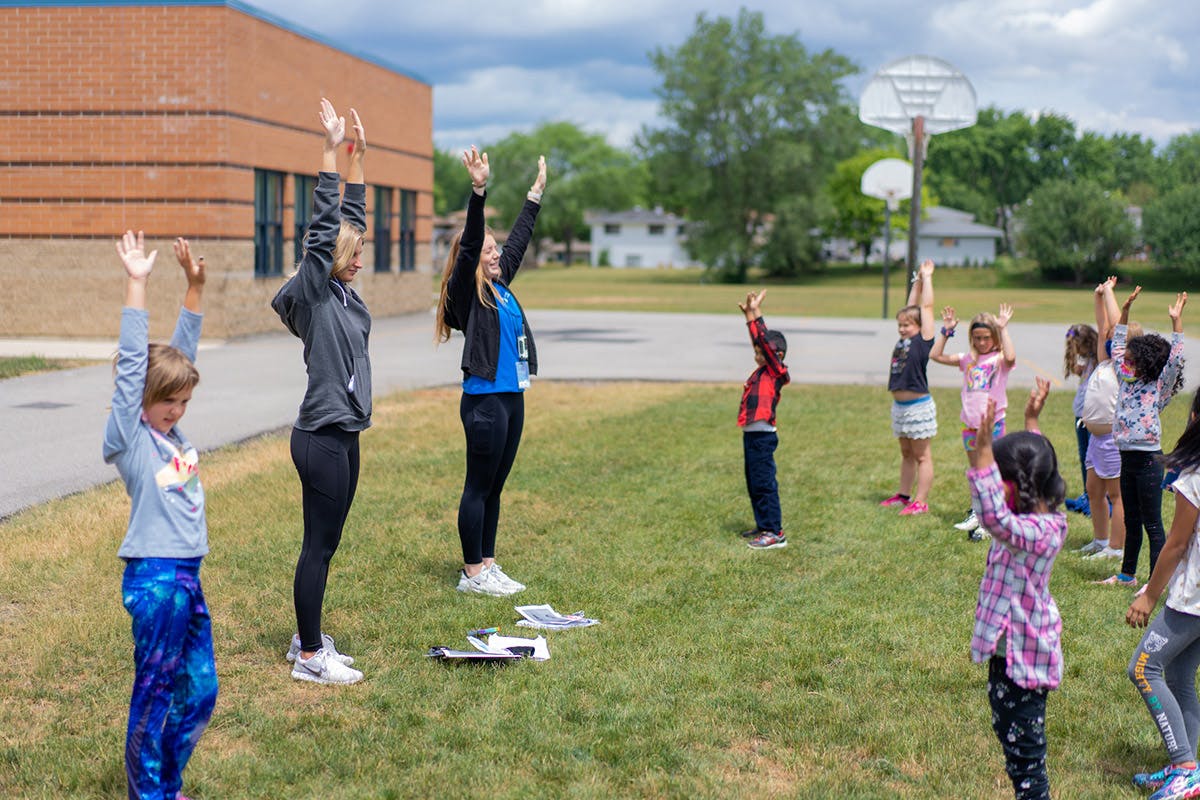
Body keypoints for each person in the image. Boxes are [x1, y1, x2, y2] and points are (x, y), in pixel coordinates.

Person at [103, 230, 218, 800]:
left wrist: (193, 292)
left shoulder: (172, 434)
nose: (175, 410)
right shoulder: (131, 439)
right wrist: (138, 283)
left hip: (187, 576)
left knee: (199, 690)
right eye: (166, 401)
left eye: (183, 402)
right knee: (155, 692)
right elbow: (134, 368)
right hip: (155, 577)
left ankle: (166, 785)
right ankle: (148, 795)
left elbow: (179, 362)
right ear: (141, 402)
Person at [270, 98, 367, 684]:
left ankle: (307, 638)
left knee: (324, 543)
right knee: (318, 547)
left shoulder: (345, 293)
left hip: (344, 432)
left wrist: (359, 156)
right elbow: (327, 224)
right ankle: (309, 657)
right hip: (322, 436)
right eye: (350, 255)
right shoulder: (314, 289)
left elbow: (350, 215)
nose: (359, 260)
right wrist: (329, 152)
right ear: (328, 258)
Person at [435, 146, 546, 595]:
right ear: (470, 255)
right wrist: (479, 190)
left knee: (496, 485)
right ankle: (472, 573)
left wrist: (534, 196)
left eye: (496, 247)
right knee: (478, 485)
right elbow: (470, 247)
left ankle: (489, 563)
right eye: (487, 248)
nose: (497, 253)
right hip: (484, 400)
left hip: (511, 395)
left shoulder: (500, 286)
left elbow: (518, 241)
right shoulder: (467, 292)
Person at [968, 397, 1067, 800]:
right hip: (1007, 653)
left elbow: (992, 516)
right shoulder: (1030, 517)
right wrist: (1031, 421)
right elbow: (1034, 465)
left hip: (1025, 658)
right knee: (1011, 738)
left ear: (1011, 486)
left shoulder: (1040, 531)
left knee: (1026, 758)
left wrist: (982, 450)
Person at [1125, 391, 1200, 800]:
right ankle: (1183, 768)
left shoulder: (1194, 476)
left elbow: (1175, 544)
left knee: (1143, 669)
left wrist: (1149, 596)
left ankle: (1185, 768)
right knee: (1180, 675)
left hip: (1192, 600)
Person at [1095, 286, 1187, 589]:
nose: (1125, 362)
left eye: (1132, 360)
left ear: (1146, 362)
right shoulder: (1125, 379)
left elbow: (1175, 359)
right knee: (1131, 520)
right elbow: (1117, 344)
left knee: (1152, 523)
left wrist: (1176, 321)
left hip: (1148, 458)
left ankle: (1154, 582)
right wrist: (1125, 310)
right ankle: (1126, 575)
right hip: (1126, 456)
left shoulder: (1158, 386)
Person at [931, 302, 1017, 539]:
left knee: (991, 471)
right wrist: (946, 331)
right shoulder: (967, 359)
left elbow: (1011, 357)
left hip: (993, 425)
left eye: (986, 338)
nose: (981, 343)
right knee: (975, 471)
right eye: (977, 338)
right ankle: (977, 514)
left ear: (994, 337)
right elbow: (935, 355)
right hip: (968, 425)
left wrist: (1003, 328)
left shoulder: (999, 360)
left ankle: (993, 517)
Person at [879, 259, 937, 516]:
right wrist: (916, 282)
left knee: (922, 456)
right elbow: (911, 307)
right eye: (900, 325)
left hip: (918, 408)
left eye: (907, 325)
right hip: (900, 407)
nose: (902, 328)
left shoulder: (923, 341)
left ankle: (921, 501)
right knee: (906, 453)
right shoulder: (904, 339)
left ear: (919, 327)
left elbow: (925, 306)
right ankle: (903, 495)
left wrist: (928, 278)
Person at [735, 288, 791, 549]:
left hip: (763, 437)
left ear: (775, 355)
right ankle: (762, 525)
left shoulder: (776, 370)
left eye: (762, 352)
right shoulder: (763, 368)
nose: (757, 355)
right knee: (754, 481)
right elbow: (762, 342)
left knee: (765, 483)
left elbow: (765, 342)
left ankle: (775, 532)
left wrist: (756, 316)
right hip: (752, 436)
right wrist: (750, 313)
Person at [1077, 277, 1127, 560]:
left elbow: (1116, 327)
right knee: (1093, 489)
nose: (1108, 339)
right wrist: (1098, 298)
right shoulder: (1105, 362)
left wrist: (1109, 292)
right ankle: (1100, 539)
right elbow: (1104, 329)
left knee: (1115, 495)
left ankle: (1116, 547)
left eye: (1115, 339)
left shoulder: (1124, 368)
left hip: (1111, 439)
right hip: (1096, 439)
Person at [1063, 322, 1098, 516]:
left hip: (1091, 416)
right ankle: (1088, 494)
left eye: (1079, 348)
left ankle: (1095, 496)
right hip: (1081, 414)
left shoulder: (1100, 360)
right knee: (1084, 455)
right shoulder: (1089, 363)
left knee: (1091, 457)